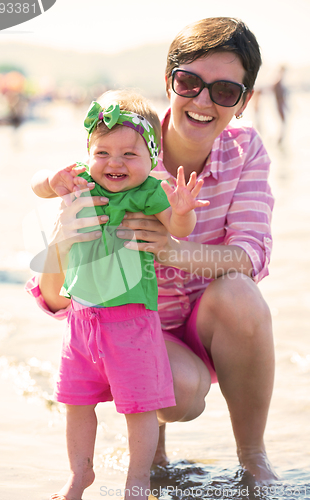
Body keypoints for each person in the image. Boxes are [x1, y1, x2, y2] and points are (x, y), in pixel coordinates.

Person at [26, 16, 277, 492]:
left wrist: (173, 250)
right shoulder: (119, 154)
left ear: (243, 102)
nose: (203, 101)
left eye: (225, 91)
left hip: (203, 320)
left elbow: (251, 254)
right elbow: (58, 300)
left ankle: (254, 459)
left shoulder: (246, 152)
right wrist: (61, 240)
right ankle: (150, 451)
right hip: (131, 328)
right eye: (190, 83)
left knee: (242, 295)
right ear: (169, 82)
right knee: (181, 393)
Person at [28, 89, 210, 500]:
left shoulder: (149, 192)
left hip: (131, 321)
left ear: (152, 159)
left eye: (130, 155)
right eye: (103, 151)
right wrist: (51, 181)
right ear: (88, 151)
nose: (114, 162)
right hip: (80, 321)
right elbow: (38, 184)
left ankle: (137, 479)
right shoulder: (81, 179)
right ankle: (79, 474)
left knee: (139, 406)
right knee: (76, 402)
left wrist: (181, 210)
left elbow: (179, 230)